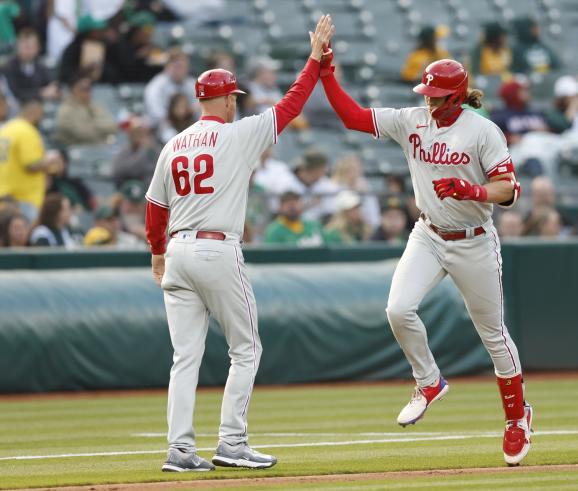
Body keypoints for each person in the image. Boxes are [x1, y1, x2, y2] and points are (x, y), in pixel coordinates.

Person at [320, 54, 532, 466]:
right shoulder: (411, 119)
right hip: (428, 233)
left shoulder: (483, 131)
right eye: (427, 93)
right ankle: (428, 381)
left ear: (456, 96)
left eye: (437, 95)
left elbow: (507, 189)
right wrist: (327, 73)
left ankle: (516, 418)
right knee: (397, 309)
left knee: (492, 335)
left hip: (473, 240)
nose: (430, 101)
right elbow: (352, 117)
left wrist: (472, 191)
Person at [144, 15, 335, 472]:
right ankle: (231, 441)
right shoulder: (238, 134)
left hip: (177, 251)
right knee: (246, 349)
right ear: (228, 100)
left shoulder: (173, 145)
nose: (235, 103)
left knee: (184, 358)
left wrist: (156, 253)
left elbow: (155, 209)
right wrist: (313, 59)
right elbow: (290, 105)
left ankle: (180, 451)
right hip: (216, 248)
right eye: (234, 97)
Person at [0, 99, 65, 223]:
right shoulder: (27, 131)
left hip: (5, 193)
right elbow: (30, 164)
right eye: (40, 114)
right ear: (35, 112)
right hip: (24, 198)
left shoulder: (6, 129)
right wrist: (51, 161)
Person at [54, 74, 117, 145]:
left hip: (100, 148)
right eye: (83, 89)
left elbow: (112, 127)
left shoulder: (97, 107)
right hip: (75, 150)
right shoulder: (65, 110)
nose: (88, 92)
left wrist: (92, 125)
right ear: (72, 90)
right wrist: (102, 132)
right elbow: (82, 134)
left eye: (89, 89)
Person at [3, 27, 59, 102]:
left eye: (32, 46)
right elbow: (15, 93)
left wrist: (54, 88)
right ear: (18, 46)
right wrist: (40, 93)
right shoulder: (9, 67)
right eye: (26, 46)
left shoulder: (40, 65)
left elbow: (51, 82)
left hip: (41, 106)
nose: (29, 50)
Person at [144, 48, 197, 126]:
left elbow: (199, 108)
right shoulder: (157, 85)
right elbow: (156, 112)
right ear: (167, 66)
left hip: (188, 123)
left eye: (183, 66)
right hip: (162, 125)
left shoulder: (193, 84)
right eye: (177, 66)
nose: (180, 70)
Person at [491, 77, 548, 145]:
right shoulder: (499, 117)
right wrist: (508, 138)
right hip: (516, 151)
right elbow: (491, 138)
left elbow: (554, 131)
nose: (528, 93)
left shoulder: (537, 113)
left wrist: (547, 130)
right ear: (512, 93)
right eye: (524, 90)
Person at [332, 153, 380, 229]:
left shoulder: (365, 185)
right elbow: (334, 212)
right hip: (341, 225)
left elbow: (373, 215)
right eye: (349, 169)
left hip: (363, 225)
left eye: (356, 168)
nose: (353, 172)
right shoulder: (334, 186)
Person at [545, 76, 578, 141]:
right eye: (575, 96)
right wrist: (573, 107)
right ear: (564, 99)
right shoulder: (553, 114)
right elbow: (564, 127)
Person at [112, 115, 161, 187]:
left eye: (142, 132)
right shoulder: (125, 150)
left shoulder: (154, 149)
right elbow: (121, 171)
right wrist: (143, 150)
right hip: (129, 190)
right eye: (136, 132)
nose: (139, 135)